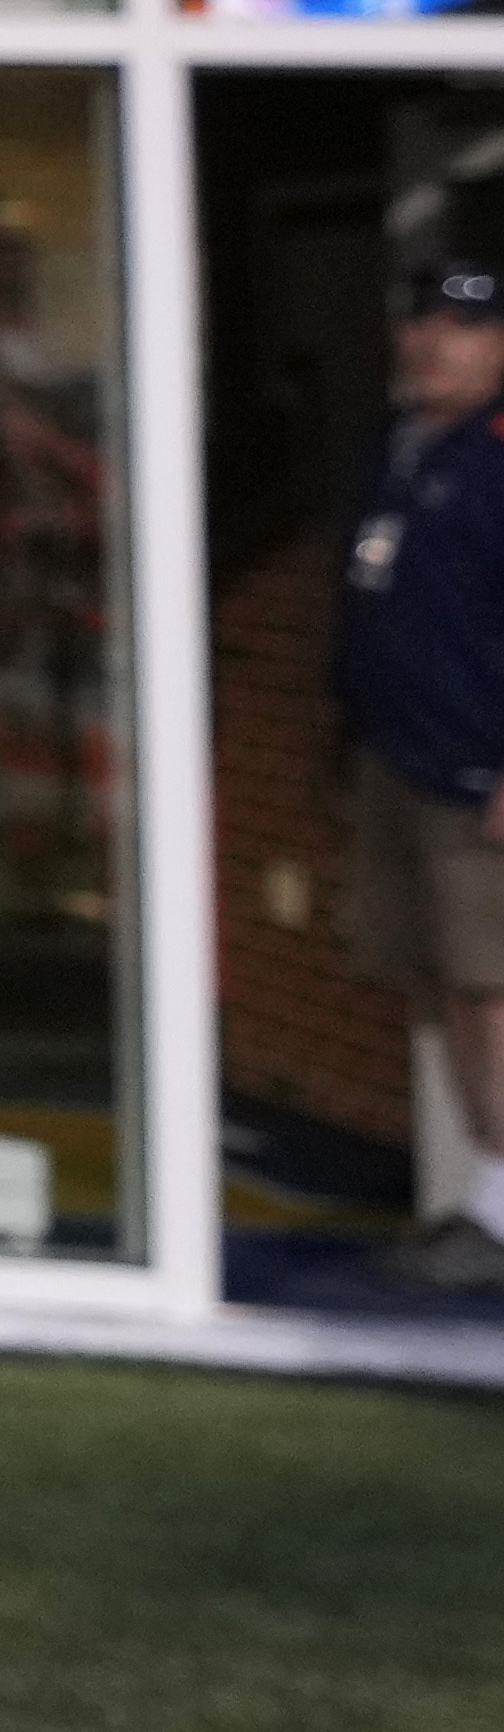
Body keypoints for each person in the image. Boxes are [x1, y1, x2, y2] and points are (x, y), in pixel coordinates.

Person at [338, 185, 504, 1296]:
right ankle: (481, 1195)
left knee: (487, 984)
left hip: (474, 773)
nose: (427, 341)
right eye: (418, 320)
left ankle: (495, 1209)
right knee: (441, 984)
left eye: (458, 323)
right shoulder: (404, 446)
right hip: (399, 757)